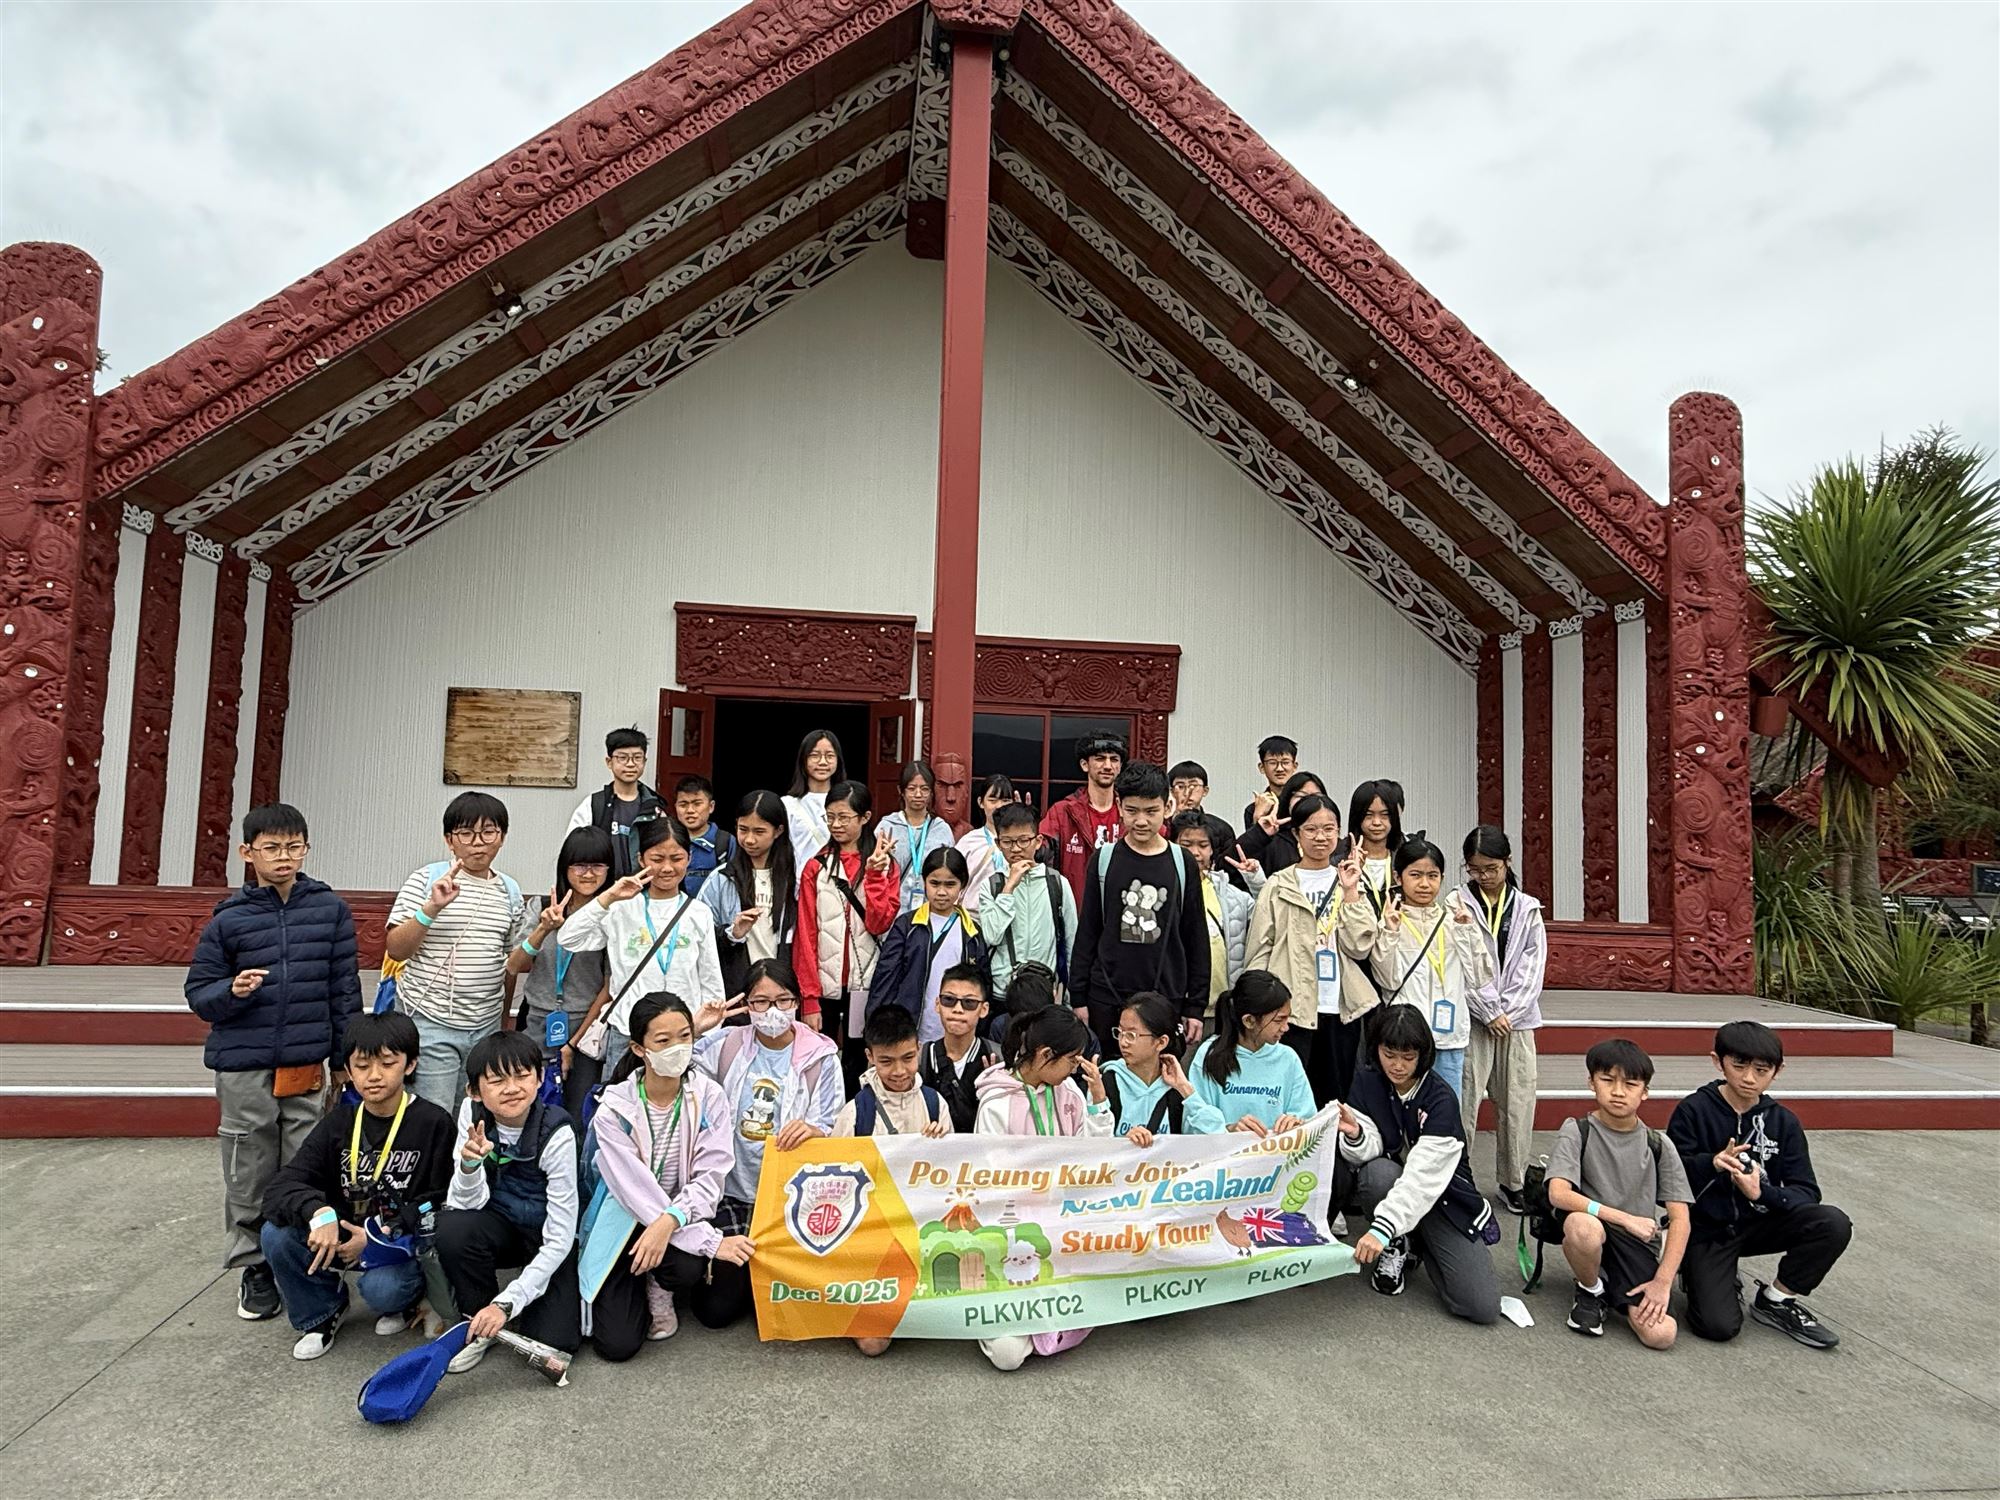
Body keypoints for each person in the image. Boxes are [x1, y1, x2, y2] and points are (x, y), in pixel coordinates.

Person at [185, 802, 361, 1323]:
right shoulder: (229, 919)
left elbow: (344, 989)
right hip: (243, 1062)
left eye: (293, 847)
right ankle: (254, 1265)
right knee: (249, 1165)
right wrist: (231, 991)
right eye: (271, 848)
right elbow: (199, 993)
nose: (283, 857)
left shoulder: (329, 910)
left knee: (305, 1163)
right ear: (248, 852)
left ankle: (304, 1255)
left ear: (306, 849)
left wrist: (344, 1058)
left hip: (305, 1060)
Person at [258, 1013, 456, 1359]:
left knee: (383, 1291)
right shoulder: (339, 1123)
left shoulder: (433, 1122)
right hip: (341, 1235)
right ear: (349, 1071)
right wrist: (319, 1212)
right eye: (362, 1066)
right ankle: (322, 1312)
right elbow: (282, 1186)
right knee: (276, 1235)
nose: (374, 1075)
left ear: (410, 1064)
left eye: (387, 1064)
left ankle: (407, 1301)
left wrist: (380, 1236)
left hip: (396, 1242)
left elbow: (440, 1197)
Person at [1667, 1021, 1849, 1349]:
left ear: (1778, 1071)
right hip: (1707, 1230)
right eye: (1739, 1066)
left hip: (1760, 1223)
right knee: (1717, 1326)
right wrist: (1711, 1163)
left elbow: (1807, 1191)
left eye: (1761, 1070)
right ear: (1717, 1061)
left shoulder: (1783, 1121)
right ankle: (1700, 1270)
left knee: (1832, 1223)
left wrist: (1761, 1192)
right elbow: (1667, 1178)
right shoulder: (1693, 1110)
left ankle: (1776, 1300)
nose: (1749, 1078)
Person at [585, 993, 744, 1359]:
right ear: (639, 1049)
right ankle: (634, 1280)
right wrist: (708, 1241)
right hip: (625, 1219)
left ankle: (660, 1286)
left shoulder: (709, 1096)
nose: (677, 1048)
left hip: (680, 1216)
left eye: (685, 1036)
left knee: (686, 1266)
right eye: (663, 1040)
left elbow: (712, 1175)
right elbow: (632, 1189)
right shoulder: (614, 1110)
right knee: (617, 1345)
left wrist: (669, 1221)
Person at [690, 958, 843, 1327]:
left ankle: (759, 1275)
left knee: (785, 1306)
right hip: (732, 1190)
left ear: (796, 1001)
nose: (772, 1011)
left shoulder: (820, 1056)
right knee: (716, 1312)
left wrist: (814, 1131)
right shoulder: (726, 1044)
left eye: (783, 1000)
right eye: (761, 1001)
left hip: (788, 1197)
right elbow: (673, 1068)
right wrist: (695, 1029)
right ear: (747, 1005)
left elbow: (832, 1122)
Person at [973, 1004, 1112, 1371]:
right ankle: (1026, 1327)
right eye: (1072, 1060)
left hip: (1063, 1228)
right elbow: (991, 1179)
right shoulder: (996, 1104)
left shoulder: (1070, 1094)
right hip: (1013, 1234)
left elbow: (1095, 1158)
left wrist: (1099, 1100)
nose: (1075, 1069)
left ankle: (1042, 1330)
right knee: (1007, 1356)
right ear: (1045, 1054)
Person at [435, 1031, 584, 1372]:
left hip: (545, 1235)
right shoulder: (472, 1113)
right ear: (474, 1090)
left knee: (555, 1341)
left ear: (539, 1078)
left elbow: (560, 1236)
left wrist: (507, 1303)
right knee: (452, 1228)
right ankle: (477, 1321)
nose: (512, 1088)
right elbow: (463, 1206)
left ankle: (501, 1309)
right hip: (499, 1225)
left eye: (521, 1075)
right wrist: (469, 1167)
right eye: (497, 1080)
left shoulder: (557, 1132)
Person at [1342, 1006, 1499, 1322]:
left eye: (1408, 1057)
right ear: (1376, 1049)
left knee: (1480, 1307)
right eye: (1389, 1054)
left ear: (1423, 1055)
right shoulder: (1367, 1081)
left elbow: (1423, 1176)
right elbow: (1371, 1150)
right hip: (1393, 1185)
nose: (1397, 1065)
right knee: (1377, 1173)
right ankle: (1399, 1242)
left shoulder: (1440, 1098)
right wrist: (1356, 1134)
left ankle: (1413, 1237)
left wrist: (1382, 1228)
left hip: (1442, 1196)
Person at [385, 792, 532, 1116]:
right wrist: (432, 908)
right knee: (434, 1118)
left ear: (502, 837)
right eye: (466, 833)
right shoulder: (426, 879)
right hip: (430, 1020)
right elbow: (396, 949)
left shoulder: (509, 891)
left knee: (475, 1115)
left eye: (488, 832)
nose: (478, 842)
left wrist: (500, 1023)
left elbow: (508, 965)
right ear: (449, 840)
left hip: (485, 1026)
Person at [1546, 1039, 1692, 1348]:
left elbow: (1680, 1219)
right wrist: (1624, 1218)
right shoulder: (1578, 1130)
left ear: (1645, 1092)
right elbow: (1558, 1193)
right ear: (1591, 1082)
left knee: (1662, 1335)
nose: (1618, 1091)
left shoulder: (1658, 1143)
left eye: (1630, 1084)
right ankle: (1590, 1290)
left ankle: (1610, 1285)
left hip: (1637, 1245)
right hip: (1597, 1229)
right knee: (1582, 1227)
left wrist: (1662, 1282)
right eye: (1607, 1080)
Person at [1246, 794, 1378, 1107]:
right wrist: (1261, 1004)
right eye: (1311, 829)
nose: (1321, 837)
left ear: (1340, 833)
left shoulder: (1350, 880)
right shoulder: (1279, 884)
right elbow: (1259, 949)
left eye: (1329, 829)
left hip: (1338, 1008)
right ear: (1296, 834)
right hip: (1289, 1011)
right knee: (1286, 1098)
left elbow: (1361, 946)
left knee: (1335, 1099)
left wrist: (1351, 891)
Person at [557, 818, 724, 1063]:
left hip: (682, 1036)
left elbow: (711, 981)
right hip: (627, 1033)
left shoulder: (699, 913)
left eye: (676, 858)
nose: (667, 868)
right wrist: (609, 896)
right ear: (641, 860)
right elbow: (568, 938)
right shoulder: (621, 908)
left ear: (689, 859)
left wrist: (703, 1032)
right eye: (657, 859)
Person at [1071, 762, 1209, 1055]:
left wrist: (1195, 1005)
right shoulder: (1104, 859)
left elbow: (1196, 935)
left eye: (1151, 811)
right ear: (1119, 806)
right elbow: (1088, 931)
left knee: (1162, 1073)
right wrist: (1078, 997)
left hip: (1165, 995)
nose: (1141, 821)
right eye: (1132, 811)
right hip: (1106, 996)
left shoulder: (1182, 862)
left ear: (1167, 807)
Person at [1350, 832, 1492, 1097]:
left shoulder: (1456, 921)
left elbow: (1480, 978)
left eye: (1432, 875)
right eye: (1415, 875)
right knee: (1401, 1111)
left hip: (1448, 1038)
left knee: (1444, 1110)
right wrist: (1390, 933)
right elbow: (1387, 981)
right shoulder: (1391, 921)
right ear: (1398, 877)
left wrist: (1466, 932)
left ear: (1442, 878)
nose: (1425, 884)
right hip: (1403, 1041)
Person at [1459, 825, 1546, 1214]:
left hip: (1517, 1020)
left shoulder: (1527, 908)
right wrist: (1488, 1010)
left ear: (1507, 863)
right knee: (1465, 1099)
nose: (1484, 876)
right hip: (1474, 1019)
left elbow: (1533, 963)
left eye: (1491, 868)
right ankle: (1458, 1179)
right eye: (1475, 869)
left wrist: (1507, 1011)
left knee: (1518, 1101)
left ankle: (1514, 1181)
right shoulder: (1457, 904)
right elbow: (1461, 963)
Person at [504, 826, 613, 1119]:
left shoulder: (612, 915)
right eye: (579, 865)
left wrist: (572, 1043)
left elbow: (609, 987)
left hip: (587, 1030)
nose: (588, 874)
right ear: (565, 867)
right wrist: (543, 929)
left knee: (577, 1114)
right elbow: (514, 965)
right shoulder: (541, 907)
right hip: (536, 1021)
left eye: (597, 865)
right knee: (529, 1110)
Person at [794, 781, 898, 1074]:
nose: (836, 825)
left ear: (865, 818)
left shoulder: (885, 863)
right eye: (830, 817)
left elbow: (880, 923)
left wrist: (874, 875)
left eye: (844, 817)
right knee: (818, 1063)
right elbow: (805, 935)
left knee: (859, 1064)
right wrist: (809, 998)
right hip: (823, 984)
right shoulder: (816, 866)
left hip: (866, 982)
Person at [867, 847, 988, 1044]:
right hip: (909, 1032)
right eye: (934, 883)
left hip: (957, 1035)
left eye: (950, 884)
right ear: (924, 882)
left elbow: (982, 986)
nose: (941, 892)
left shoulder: (972, 933)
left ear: (963, 885)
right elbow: (885, 979)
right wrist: (875, 1026)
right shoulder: (907, 926)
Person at [699, 789, 799, 1001]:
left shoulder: (796, 878)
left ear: (778, 831)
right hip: (737, 989)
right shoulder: (721, 878)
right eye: (743, 829)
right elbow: (700, 934)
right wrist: (732, 933)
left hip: (784, 990)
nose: (749, 839)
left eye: (759, 831)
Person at [1188, 971, 1315, 1134]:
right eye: (1278, 1021)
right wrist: (1229, 1130)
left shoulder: (1288, 1058)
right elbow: (1192, 1126)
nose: (1285, 1028)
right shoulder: (1209, 1054)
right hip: (1226, 1150)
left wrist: (1297, 1123)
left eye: (1287, 1018)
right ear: (1249, 1021)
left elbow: (1309, 1120)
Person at [979, 801, 1079, 1007]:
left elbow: (1072, 942)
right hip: (1003, 993)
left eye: (1024, 840)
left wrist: (1070, 996)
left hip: (1044, 991)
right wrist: (1008, 889)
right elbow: (991, 936)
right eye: (1008, 842)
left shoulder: (1057, 883)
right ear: (998, 844)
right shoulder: (992, 885)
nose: (1016, 848)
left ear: (1038, 841)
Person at [1171, 809, 1258, 1026]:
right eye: (1186, 845)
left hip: (1224, 1008)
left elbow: (1268, 915)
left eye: (1203, 845)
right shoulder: (1163, 890)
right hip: (1178, 1006)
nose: (1195, 852)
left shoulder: (1232, 895)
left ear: (1212, 850)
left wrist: (1255, 880)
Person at [1103, 992, 1224, 1142]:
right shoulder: (1106, 1082)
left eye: (1132, 1035)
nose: (1123, 1042)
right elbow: (1091, 1142)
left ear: (1161, 1042)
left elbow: (1217, 1136)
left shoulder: (1176, 1091)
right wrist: (1123, 1142)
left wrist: (1185, 1089)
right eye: (1120, 1032)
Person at [568, 727, 667, 878]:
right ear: (609, 762)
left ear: (645, 761)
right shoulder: (593, 804)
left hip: (644, 886)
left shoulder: (654, 807)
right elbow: (572, 850)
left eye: (637, 757)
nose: (630, 764)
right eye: (622, 757)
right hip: (603, 887)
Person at [1039, 732, 1125, 903]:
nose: (1108, 766)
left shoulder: (1131, 812)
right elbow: (1038, 855)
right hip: (1074, 909)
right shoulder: (1062, 812)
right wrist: (1020, 824)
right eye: (1100, 759)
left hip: (1121, 910)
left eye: (1114, 759)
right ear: (1085, 765)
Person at [919, 963, 1001, 1133]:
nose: (957, 1009)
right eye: (948, 1000)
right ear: (937, 1004)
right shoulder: (920, 1059)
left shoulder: (998, 1059)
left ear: (984, 1009)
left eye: (969, 1002)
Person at [877, 760, 955, 915]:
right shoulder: (887, 826)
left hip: (932, 911)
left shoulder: (941, 829)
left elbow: (951, 871)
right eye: (912, 789)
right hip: (893, 911)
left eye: (924, 789)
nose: (918, 794)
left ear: (931, 792)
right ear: (901, 790)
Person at [1238, 770, 1327, 877]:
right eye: (1301, 796)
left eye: (1316, 796)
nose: (1309, 802)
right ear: (1288, 799)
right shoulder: (1272, 839)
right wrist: (1258, 825)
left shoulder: (1330, 839)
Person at [782, 728, 846, 870]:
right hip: (798, 881)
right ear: (803, 760)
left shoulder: (848, 803)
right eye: (814, 755)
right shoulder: (787, 805)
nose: (823, 762)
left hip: (839, 881)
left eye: (830, 756)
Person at [954, 773, 1020, 904]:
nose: (999, 806)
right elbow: (953, 879)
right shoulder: (969, 842)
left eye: (1005, 800)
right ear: (980, 802)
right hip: (974, 914)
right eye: (992, 800)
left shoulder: (1022, 842)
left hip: (1012, 912)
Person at [1348, 779, 1405, 921]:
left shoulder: (1405, 862)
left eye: (1385, 815)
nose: (1377, 822)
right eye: (1368, 815)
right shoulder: (1342, 862)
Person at [672, 775, 734, 898]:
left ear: (711, 807)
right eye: (683, 805)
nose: (690, 810)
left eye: (697, 804)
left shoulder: (725, 842)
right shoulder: (669, 840)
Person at [1242, 736, 1300, 833]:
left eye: (1285, 762)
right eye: (1272, 763)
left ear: (1294, 766)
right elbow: (1250, 842)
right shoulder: (1253, 809)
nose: (1279, 769)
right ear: (1261, 767)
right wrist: (1257, 818)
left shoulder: (1303, 803)